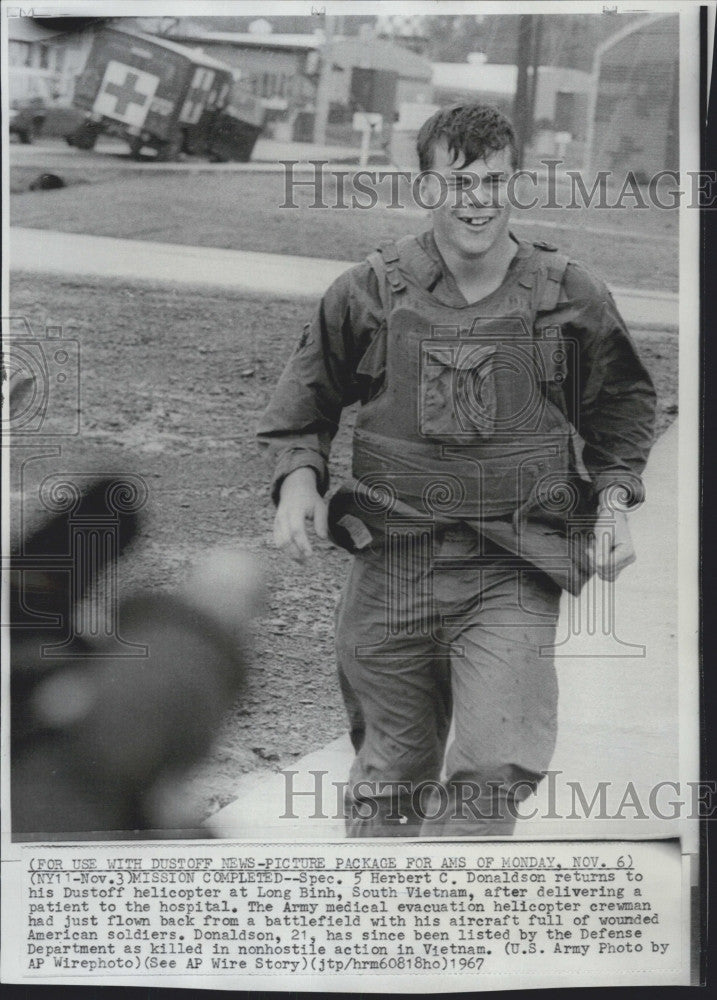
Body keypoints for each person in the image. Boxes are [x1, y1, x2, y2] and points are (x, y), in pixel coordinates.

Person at [257, 104, 656, 838]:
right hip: (390, 562)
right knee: (390, 778)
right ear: (425, 185)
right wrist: (299, 482)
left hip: (512, 560)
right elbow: (300, 404)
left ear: (517, 183)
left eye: (494, 181)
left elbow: (623, 411)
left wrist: (614, 504)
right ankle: (390, 937)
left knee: (494, 766)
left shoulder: (568, 296)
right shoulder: (368, 292)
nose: (476, 200)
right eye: (458, 180)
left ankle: (457, 936)